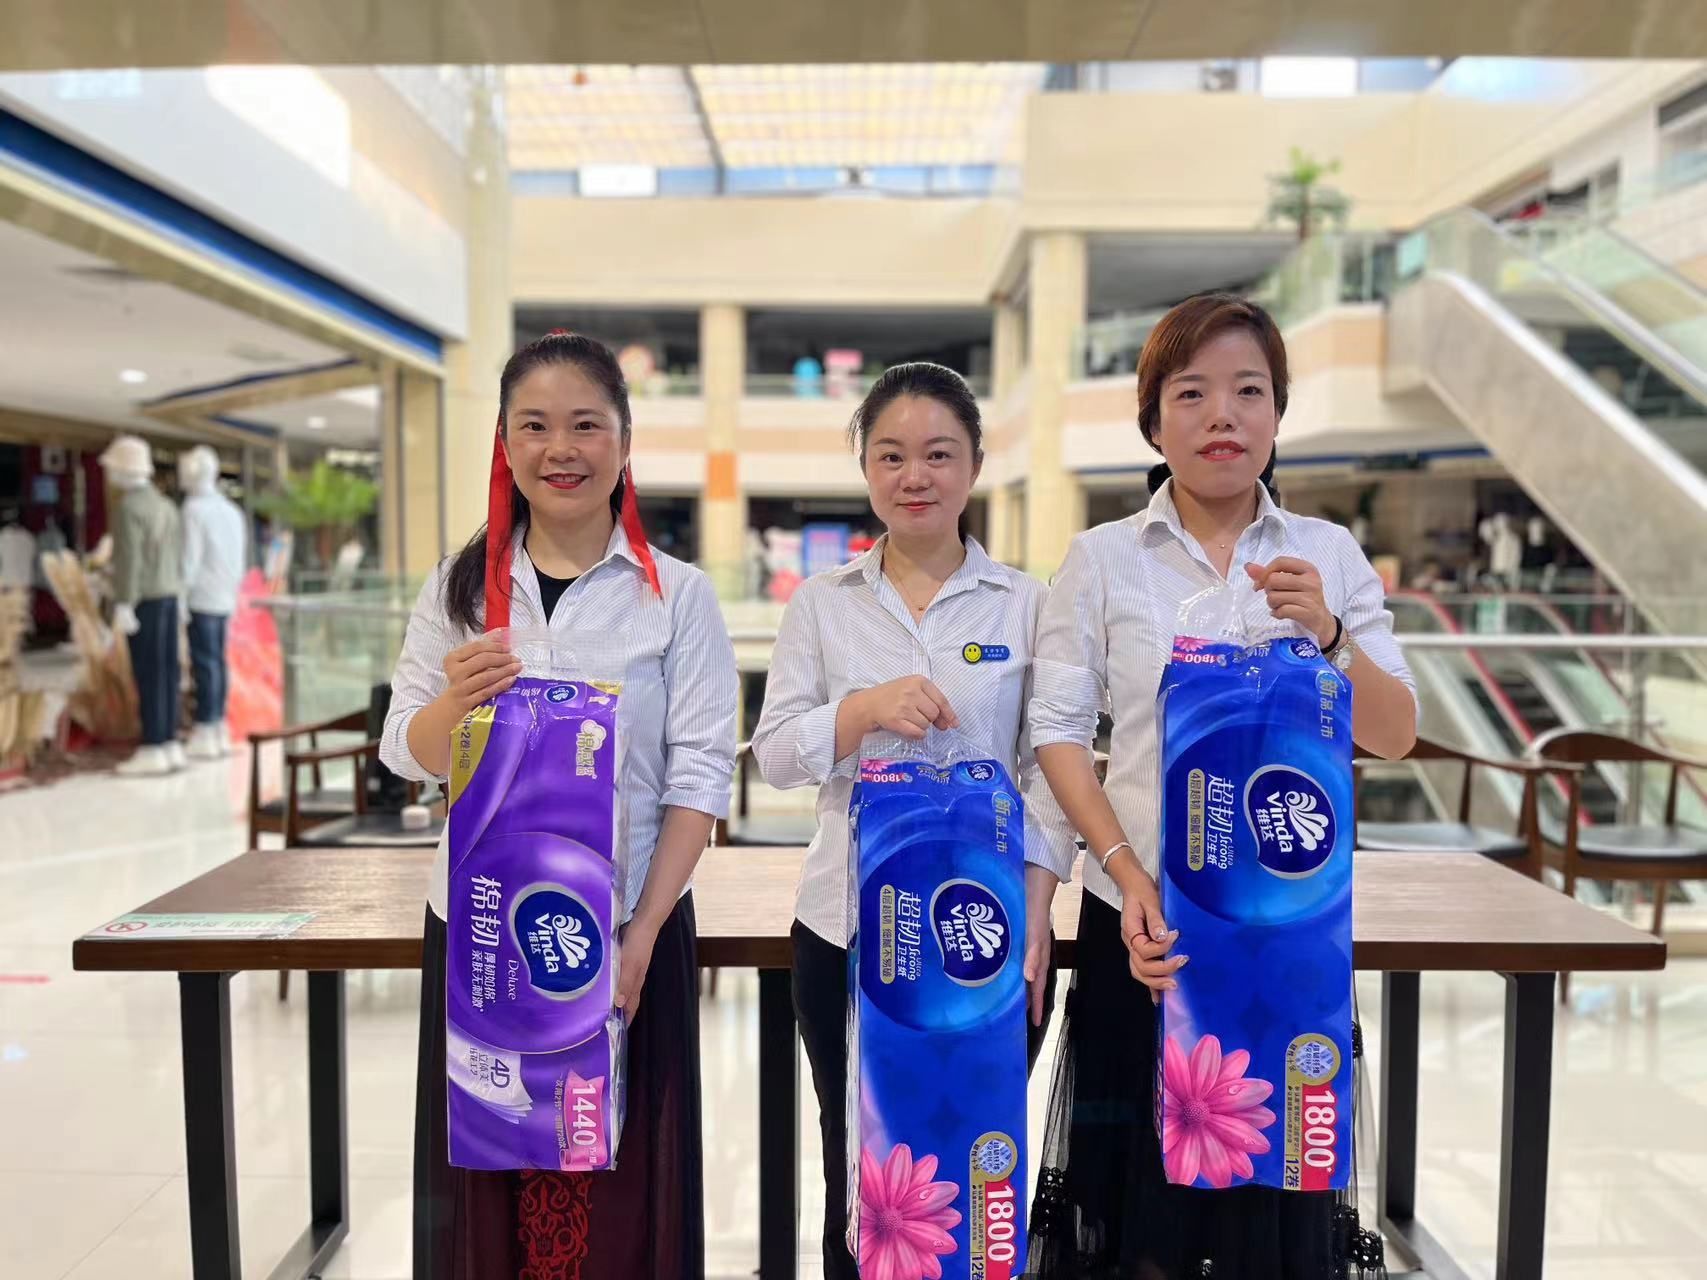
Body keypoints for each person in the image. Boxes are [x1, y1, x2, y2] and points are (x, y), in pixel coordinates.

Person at [1025, 294, 1417, 1279]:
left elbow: (1394, 732)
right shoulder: (1102, 560)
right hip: (1143, 930)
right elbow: (1058, 733)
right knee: (1138, 1220)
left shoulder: (1327, 555)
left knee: (1272, 1217)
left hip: (1287, 938)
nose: (1222, 416)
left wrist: (1330, 634)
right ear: (1153, 421)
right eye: (1191, 393)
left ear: (1278, 412)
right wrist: (1125, 875)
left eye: (1249, 390)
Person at [380, 332, 739, 1280]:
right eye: (534, 427)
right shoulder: (459, 591)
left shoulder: (677, 598)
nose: (561, 449)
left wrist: (642, 934)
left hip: (627, 928)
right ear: (504, 444)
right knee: (487, 1184)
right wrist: (452, 706)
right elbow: (404, 749)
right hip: (481, 933)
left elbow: (700, 777)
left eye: (586, 425)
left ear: (625, 441)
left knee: (621, 1179)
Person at [750, 362, 1078, 1280]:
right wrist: (859, 711)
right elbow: (773, 755)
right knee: (858, 1163)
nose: (914, 476)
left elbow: (1049, 771)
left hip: (989, 934)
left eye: (938, 454)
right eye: (890, 456)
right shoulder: (822, 605)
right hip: (848, 929)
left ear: (974, 466)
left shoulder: (1026, 602)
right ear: (865, 469)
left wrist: (1039, 908)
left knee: (977, 1155)